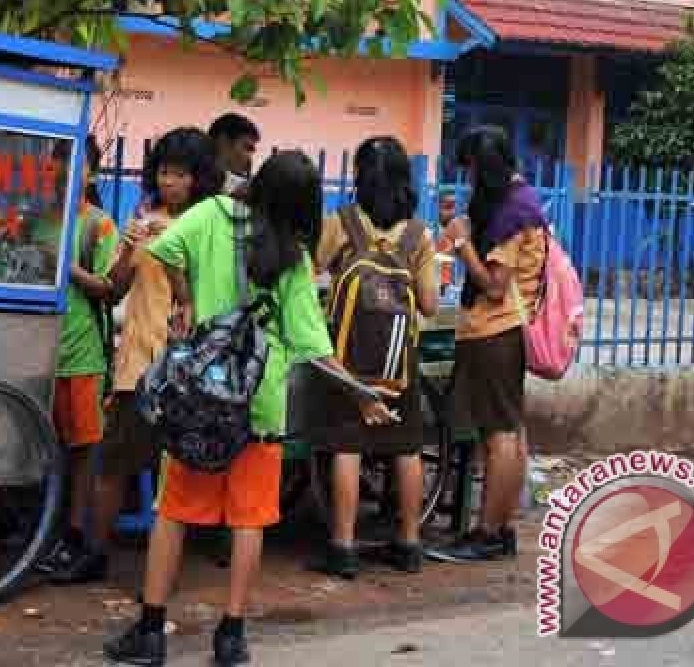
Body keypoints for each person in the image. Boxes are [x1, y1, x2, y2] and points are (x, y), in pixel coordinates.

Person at [104, 150, 395, 667]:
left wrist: (188, 302)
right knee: (248, 519)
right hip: (258, 403)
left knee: (173, 513)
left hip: (200, 398)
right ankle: (231, 634)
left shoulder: (212, 213)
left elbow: (164, 250)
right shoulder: (293, 257)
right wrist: (361, 394)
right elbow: (314, 347)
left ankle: (150, 631)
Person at [55, 127, 221, 584]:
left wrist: (169, 248)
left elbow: (203, 293)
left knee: (178, 471)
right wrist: (130, 249)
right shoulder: (144, 217)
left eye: (180, 174)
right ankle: (97, 551)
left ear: (198, 179)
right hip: (137, 362)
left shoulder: (209, 225)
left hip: (186, 365)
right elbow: (114, 288)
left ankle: (164, 566)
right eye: (165, 171)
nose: (170, 181)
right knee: (115, 461)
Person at [311, 136, 440, 577]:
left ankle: (343, 547)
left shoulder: (341, 223)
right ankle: (408, 543)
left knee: (348, 446)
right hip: (399, 363)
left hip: (348, 363)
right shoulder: (421, 236)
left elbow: (308, 273)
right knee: (406, 448)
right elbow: (428, 304)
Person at [437, 125, 546, 562]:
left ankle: (488, 533)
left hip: (495, 331)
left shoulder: (510, 215)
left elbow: (494, 285)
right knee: (511, 432)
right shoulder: (525, 203)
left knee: (498, 436)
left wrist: (461, 244)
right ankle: (500, 529)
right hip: (508, 330)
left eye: (471, 171)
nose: (468, 182)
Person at [36, 136, 120, 579]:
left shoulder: (99, 226)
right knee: (49, 445)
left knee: (84, 448)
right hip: (40, 348)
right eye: (57, 163)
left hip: (83, 350)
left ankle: (74, 533)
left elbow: (110, 287)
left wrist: (66, 270)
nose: (64, 172)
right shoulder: (38, 221)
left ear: (92, 173)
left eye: (75, 164)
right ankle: (45, 528)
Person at [207, 113, 260, 198]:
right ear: (224, 142)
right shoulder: (193, 179)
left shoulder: (231, 181)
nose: (249, 157)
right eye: (247, 147)